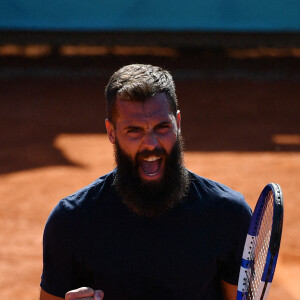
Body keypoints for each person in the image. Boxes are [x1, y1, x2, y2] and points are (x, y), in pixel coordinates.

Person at [40, 64, 252, 300]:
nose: (151, 143)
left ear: (178, 123)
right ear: (111, 131)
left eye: (163, 127)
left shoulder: (228, 214)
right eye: (134, 130)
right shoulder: (70, 222)